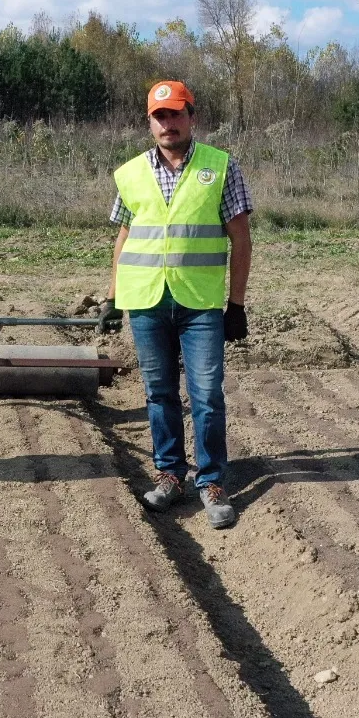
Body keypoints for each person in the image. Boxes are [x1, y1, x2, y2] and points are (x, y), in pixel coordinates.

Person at [99, 81, 251, 528]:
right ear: (149, 122)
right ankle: (169, 475)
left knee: (206, 396)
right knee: (160, 393)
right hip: (146, 301)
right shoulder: (129, 173)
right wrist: (112, 296)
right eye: (159, 116)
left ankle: (212, 482)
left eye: (176, 114)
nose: (168, 123)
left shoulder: (221, 167)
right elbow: (124, 235)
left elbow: (240, 238)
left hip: (199, 303)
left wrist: (236, 304)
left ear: (192, 117)